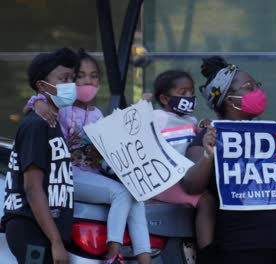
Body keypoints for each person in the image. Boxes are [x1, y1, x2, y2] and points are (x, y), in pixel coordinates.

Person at [180, 56, 276, 264]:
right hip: (240, 244)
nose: (258, 92)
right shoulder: (209, 137)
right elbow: (191, 186)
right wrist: (208, 155)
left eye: (256, 85)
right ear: (229, 99)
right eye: (249, 87)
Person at [27, 49, 151, 264]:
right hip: (68, 176)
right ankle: (113, 255)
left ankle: (145, 258)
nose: (87, 81)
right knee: (121, 193)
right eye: (79, 76)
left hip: (91, 174)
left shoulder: (97, 115)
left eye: (93, 76)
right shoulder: (61, 109)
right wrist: (37, 103)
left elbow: (103, 154)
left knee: (136, 195)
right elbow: (34, 102)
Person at [1, 48, 77, 264]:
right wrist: (56, 242)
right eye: (63, 79)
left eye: (72, 78)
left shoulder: (51, 122)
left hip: (43, 230)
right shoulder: (36, 125)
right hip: (30, 228)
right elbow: (32, 189)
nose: (70, 84)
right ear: (43, 86)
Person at [145, 70, 216, 262]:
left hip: (184, 177)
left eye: (191, 93)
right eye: (183, 93)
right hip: (166, 181)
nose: (189, 97)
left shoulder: (191, 120)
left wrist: (201, 130)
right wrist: (142, 107)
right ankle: (208, 254)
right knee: (205, 200)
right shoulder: (158, 117)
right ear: (164, 99)